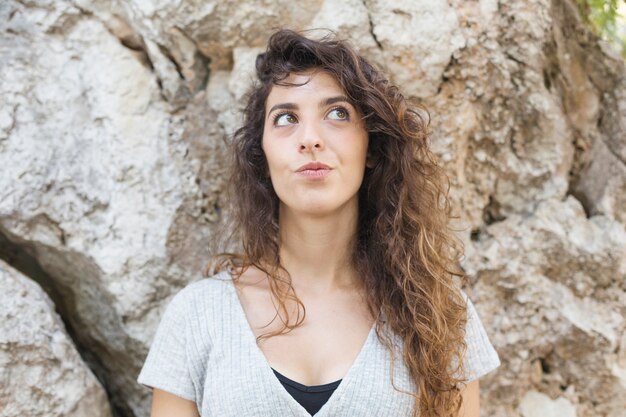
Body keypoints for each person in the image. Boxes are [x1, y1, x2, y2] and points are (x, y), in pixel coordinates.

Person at [137, 29, 500, 417]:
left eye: (337, 113)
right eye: (286, 118)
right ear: (262, 155)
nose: (309, 139)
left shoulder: (436, 312)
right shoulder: (198, 314)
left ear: (372, 148)